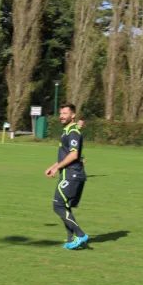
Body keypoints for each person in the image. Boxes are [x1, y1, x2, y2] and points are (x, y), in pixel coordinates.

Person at [44, 103, 88, 250]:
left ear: (73, 115)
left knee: (58, 206)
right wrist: (54, 165)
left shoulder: (73, 131)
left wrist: (58, 167)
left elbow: (74, 154)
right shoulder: (67, 130)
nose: (62, 116)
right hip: (70, 173)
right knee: (65, 206)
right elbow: (66, 154)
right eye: (61, 113)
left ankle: (80, 235)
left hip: (71, 174)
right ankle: (71, 240)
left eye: (65, 113)